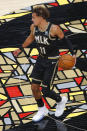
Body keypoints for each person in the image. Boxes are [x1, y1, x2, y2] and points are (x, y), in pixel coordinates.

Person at [13, 6, 76, 122]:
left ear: (41, 17)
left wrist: (73, 54)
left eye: (33, 17)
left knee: (45, 90)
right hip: (41, 59)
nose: (32, 19)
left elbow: (65, 39)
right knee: (34, 87)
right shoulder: (34, 27)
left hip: (52, 61)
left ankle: (60, 100)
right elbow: (30, 38)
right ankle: (42, 109)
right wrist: (20, 48)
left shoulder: (54, 29)